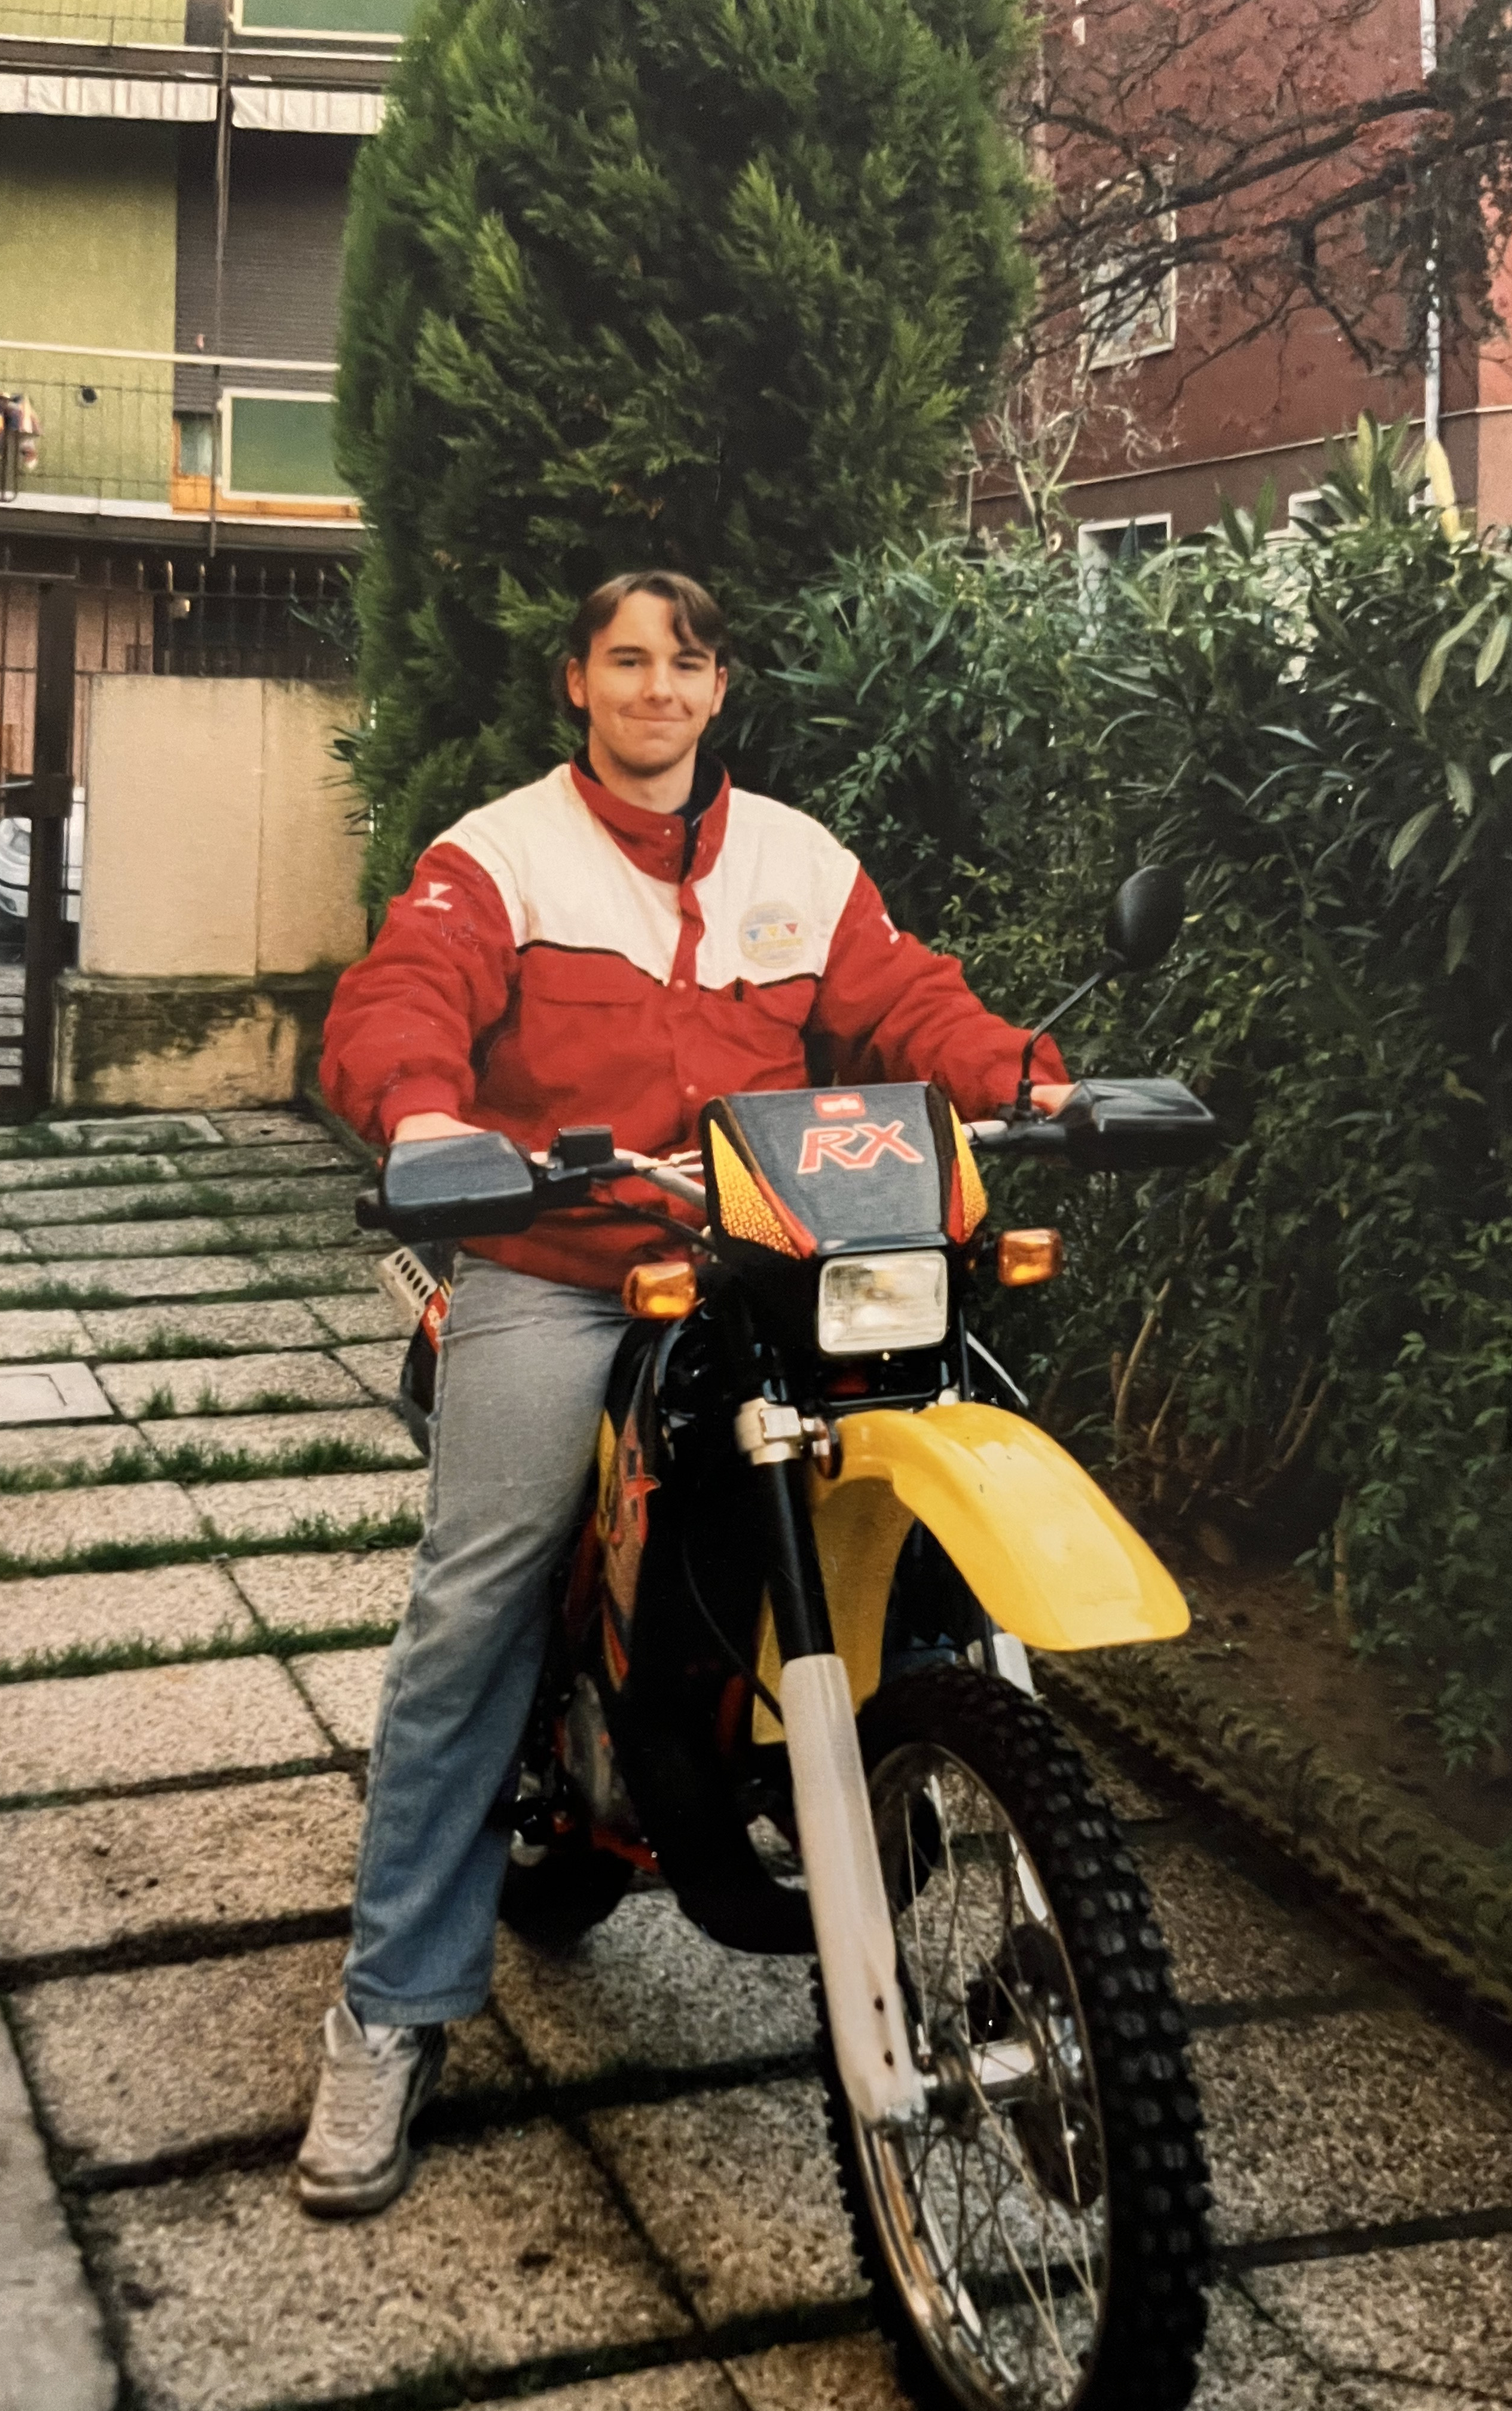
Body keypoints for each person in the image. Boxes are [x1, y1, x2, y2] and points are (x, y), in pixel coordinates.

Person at [299, 569, 1069, 2215]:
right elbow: (404, 995)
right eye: (628, 659)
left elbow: (906, 1002)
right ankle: (391, 2006)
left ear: (720, 690)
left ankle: (1014, 1899)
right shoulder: (499, 856)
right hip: (562, 1264)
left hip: (771, 1260)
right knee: (478, 1596)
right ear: (578, 682)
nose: (658, 686)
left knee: (938, 1472)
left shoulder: (798, 860)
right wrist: (424, 1115)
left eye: (687, 661)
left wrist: (1033, 1080)